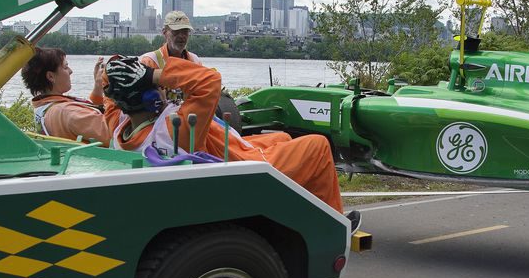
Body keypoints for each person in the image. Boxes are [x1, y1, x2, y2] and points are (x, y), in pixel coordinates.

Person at [103, 55, 355, 226]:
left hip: (228, 150)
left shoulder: (120, 130)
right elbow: (209, 81)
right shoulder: (173, 130)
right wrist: (154, 74)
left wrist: (129, 74)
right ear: (150, 97)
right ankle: (332, 221)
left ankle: (294, 212)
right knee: (318, 146)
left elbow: (108, 89)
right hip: (240, 166)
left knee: (284, 137)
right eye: (158, 89)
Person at [20, 47, 111, 146]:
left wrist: (98, 86)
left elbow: (87, 117)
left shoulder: (43, 107)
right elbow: (117, 134)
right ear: (50, 76)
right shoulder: (69, 112)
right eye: (65, 67)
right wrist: (112, 90)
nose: (70, 71)